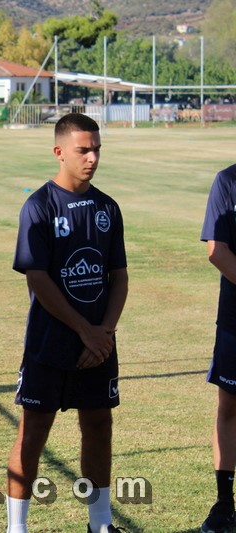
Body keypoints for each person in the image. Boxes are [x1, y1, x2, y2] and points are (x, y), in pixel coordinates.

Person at [5, 113, 128, 533]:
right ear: (59, 152)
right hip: (50, 343)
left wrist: (104, 332)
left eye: (97, 150)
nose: (92, 158)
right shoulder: (39, 206)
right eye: (83, 150)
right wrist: (84, 330)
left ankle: (100, 523)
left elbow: (119, 276)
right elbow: (38, 279)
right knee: (33, 431)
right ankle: (17, 527)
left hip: (99, 344)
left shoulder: (107, 207)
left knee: (99, 426)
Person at [200, 163, 236, 533]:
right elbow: (217, 251)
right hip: (235, 319)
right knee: (230, 407)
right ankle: (225, 503)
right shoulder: (229, 181)